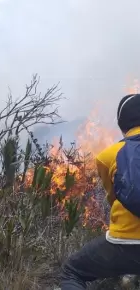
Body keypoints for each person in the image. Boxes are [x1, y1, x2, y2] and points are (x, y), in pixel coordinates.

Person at [60, 94, 140, 289]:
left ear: (122, 125)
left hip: (125, 243)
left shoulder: (108, 156)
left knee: (72, 271)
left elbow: (113, 198)